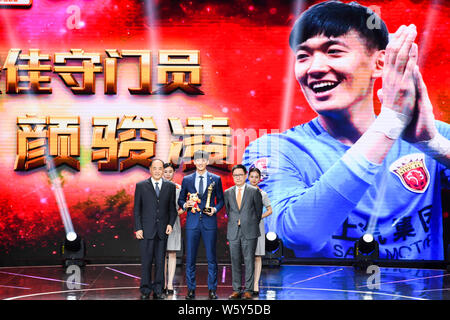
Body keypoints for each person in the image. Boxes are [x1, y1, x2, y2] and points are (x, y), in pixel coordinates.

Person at [243, 1, 450, 261]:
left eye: (334, 51)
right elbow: (299, 235)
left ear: (380, 64)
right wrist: (389, 125)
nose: (315, 68)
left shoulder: (426, 135)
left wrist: (435, 146)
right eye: (303, 56)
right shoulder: (273, 151)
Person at [178, 150, 225, 300]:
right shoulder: (187, 179)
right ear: (194, 162)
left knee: (211, 257)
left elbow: (221, 200)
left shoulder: (215, 179)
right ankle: (191, 289)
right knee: (190, 257)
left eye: (203, 160)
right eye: (197, 160)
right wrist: (186, 204)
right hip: (192, 222)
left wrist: (215, 209)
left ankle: (212, 289)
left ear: (207, 162)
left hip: (209, 222)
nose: (200, 163)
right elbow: (180, 200)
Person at [134, 159, 177, 299]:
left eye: (160, 168)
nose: (158, 171)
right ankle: (145, 289)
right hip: (146, 230)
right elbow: (137, 210)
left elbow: (172, 209)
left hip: (162, 230)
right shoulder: (141, 186)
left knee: (160, 261)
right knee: (146, 261)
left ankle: (159, 289)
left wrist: (170, 224)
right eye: (155, 168)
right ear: (150, 169)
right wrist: (138, 228)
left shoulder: (170, 186)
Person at [225, 164, 263, 299]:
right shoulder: (228, 192)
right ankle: (236, 289)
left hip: (250, 231)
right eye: (235, 175)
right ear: (233, 176)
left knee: (249, 260)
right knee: (234, 260)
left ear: (245, 175)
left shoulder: (253, 191)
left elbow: (258, 213)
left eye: (240, 175)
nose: (238, 178)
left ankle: (248, 290)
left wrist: (248, 222)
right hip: (233, 231)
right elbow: (229, 211)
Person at [248, 167, 273, 296]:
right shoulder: (243, 192)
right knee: (247, 257)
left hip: (257, 226)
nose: (254, 179)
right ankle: (248, 283)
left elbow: (270, 210)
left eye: (256, 177)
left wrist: (259, 217)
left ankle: (256, 284)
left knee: (257, 256)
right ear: (248, 177)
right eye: (251, 176)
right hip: (245, 227)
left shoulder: (263, 194)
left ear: (259, 179)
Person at [162, 162, 184, 295]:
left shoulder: (179, 188)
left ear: (174, 173)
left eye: (170, 171)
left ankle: (170, 283)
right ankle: (162, 282)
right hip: (159, 224)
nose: (168, 174)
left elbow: (182, 207)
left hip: (174, 223)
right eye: (166, 171)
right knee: (161, 254)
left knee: (172, 253)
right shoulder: (157, 187)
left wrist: (176, 214)